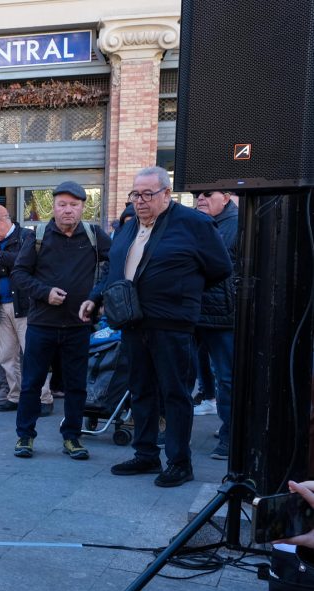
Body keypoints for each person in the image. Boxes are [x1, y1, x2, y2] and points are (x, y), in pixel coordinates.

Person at [84, 166, 231, 487]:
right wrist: (94, 298)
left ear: (167, 194)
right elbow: (114, 269)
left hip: (172, 324)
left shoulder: (194, 224)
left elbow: (221, 268)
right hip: (133, 322)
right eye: (136, 194)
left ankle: (180, 462)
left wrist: (182, 289)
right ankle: (145, 454)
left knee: (175, 394)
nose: (140, 201)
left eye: (147, 194)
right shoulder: (128, 227)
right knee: (140, 389)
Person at [10, 182, 110, 460]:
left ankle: (72, 438)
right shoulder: (38, 236)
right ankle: (25, 436)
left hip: (78, 326)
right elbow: (19, 273)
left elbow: (115, 266)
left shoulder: (94, 235)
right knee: (32, 383)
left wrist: (96, 297)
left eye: (74, 205)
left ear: (83, 207)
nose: (68, 210)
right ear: (53, 207)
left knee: (76, 386)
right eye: (63, 205)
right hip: (42, 325)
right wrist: (45, 293)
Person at [0, 205, 52, 413]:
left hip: (25, 306)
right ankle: (15, 396)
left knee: (32, 353)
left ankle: (44, 399)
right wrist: (8, 264)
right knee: (6, 355)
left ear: (1, 220)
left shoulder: (26, 237)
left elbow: (29, 266)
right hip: (1, 307)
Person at [194, 189, 239, 460]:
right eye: (197, 193)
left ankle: (230, 436)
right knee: (191, 372)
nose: (200, 197)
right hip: (195, 311)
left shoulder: (234, 224)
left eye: (208, 193)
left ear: (226, 197)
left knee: (227, 376)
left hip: (222, 314)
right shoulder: (199, 223)